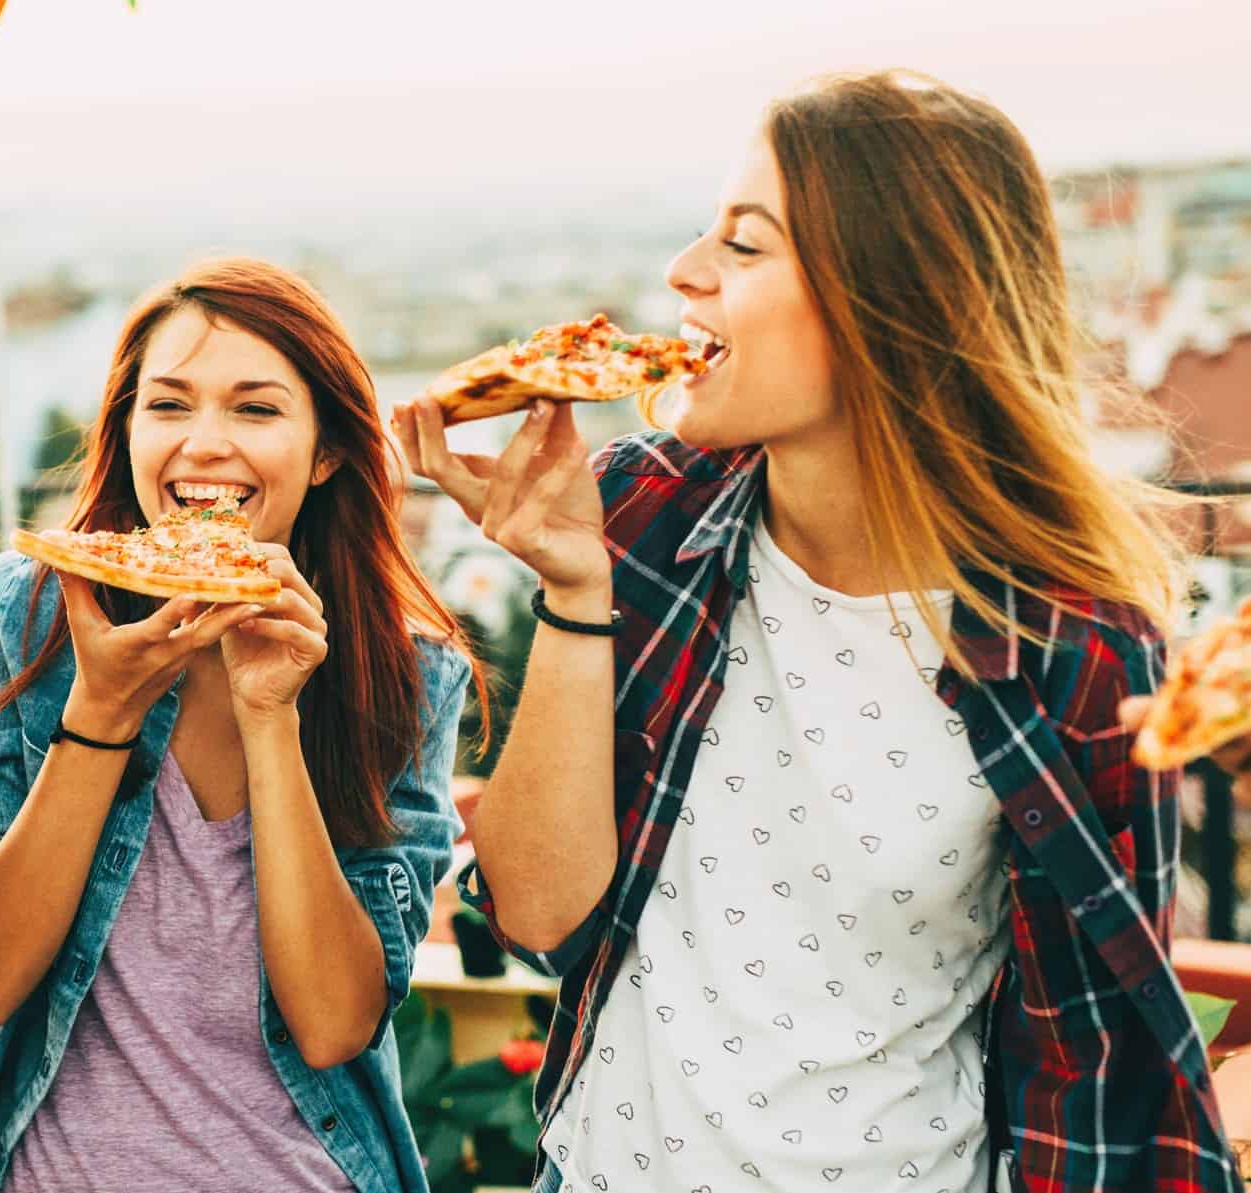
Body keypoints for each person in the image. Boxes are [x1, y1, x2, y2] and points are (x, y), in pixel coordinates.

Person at [396, 70, 1241, 1192]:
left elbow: (1083, 1059)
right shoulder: (644, 516)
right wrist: (571, 589)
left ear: (895, 302)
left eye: (744, 248)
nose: (682, 273)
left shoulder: (1075, 638)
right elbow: (540, 916)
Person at [0, 258, 480, 1193]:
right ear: (126, 431)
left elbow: (335, 1020)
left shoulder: (405, 669)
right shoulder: (22, 615)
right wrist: (100, 714)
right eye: (167, 406)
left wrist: (270, 716)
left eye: (254, 410)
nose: (203, 444)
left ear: (327, 449)